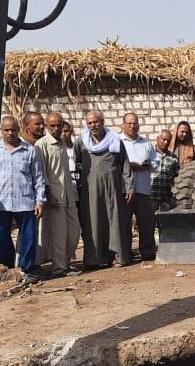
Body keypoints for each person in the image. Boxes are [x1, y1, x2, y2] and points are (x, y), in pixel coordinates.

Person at [0, 115, 45, 281]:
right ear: (1, 131)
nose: (10, 133)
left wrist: (40, 201)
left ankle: (26, 271)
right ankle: (4, 273)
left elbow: (38, 178)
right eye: (6, 130)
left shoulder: (30, 150)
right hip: (1, 203)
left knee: (28, 239)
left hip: (26, 202)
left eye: (13, 130)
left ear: (19, 130)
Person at [75, 111, 134, 269]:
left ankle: (118, 257)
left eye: (96, 122)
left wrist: (129, 186)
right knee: (93, 222)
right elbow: (77, 162)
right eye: (89, 123)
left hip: (112, 188)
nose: (93, 125)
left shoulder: (114, 139)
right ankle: (94, 259)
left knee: (114, 220)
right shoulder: (81, 141)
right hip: (90, 190)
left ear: (102, 122)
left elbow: (125, 164)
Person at [36, 112, 81, 277]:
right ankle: (59, 268)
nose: (56, 128)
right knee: (59, 235)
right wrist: (48, 195)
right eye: (52, 125)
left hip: (69, 195)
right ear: (46, 125)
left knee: (74, 232)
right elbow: (41, 173)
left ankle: (65, 263)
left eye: (59, 125)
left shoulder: (62, 143)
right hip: (55, 196)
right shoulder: (42, 145)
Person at [119, 112, 158, 262]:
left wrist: (145, 166)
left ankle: (147, 252)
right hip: (124, 191)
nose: (132, 126)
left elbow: (156, 163)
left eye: (135, 123)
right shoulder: (117, 142)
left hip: (143, 189)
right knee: (124, 223)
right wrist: (129, 166)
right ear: (123, 125)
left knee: (146, 223)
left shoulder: (146, 143)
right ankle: (125, 254)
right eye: (129, 123)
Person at [150, 130, 180, 211]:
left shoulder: (173, 158)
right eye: (164, 139)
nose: (166, 142)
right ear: (157, 138)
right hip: (150, 197)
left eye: (168, 141)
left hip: (166, 199)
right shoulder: (149, 154)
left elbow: (177, 177)